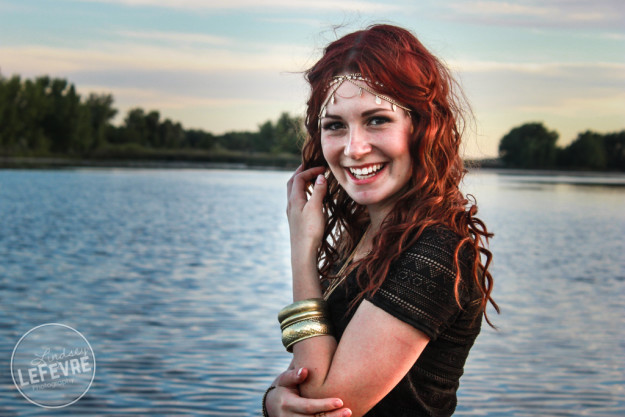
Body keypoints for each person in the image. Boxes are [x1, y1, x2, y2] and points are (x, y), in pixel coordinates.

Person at [262, 24, 498, 417]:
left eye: (376, 120)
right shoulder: (360, 240)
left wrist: (302, 254)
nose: (354, 148)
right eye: (335, 125)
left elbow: (326, 402)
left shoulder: (437, 252)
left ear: (421, 128)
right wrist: (272, 401)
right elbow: (306, 372)